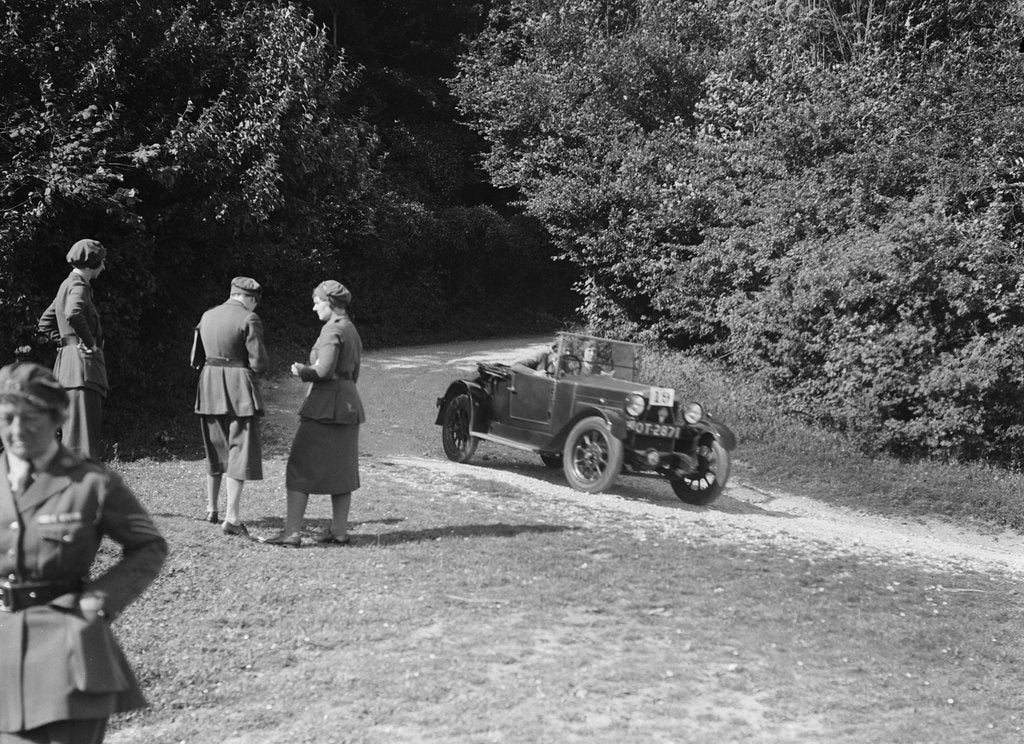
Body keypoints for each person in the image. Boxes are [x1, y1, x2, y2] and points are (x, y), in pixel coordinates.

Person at [0, 362, 167, 744]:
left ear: (57, 417)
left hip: (67, 648)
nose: (16, 430)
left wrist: (99, 601)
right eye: (6, 418)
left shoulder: (91, 482)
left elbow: (150, 545)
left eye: (31, 418)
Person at [258, 280, 364, 548]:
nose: (314, 306)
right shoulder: (351, 329)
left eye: (317, 301)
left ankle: (292, 533)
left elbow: (324, 370)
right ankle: (339, 531)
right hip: (348, 404)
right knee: (342, 470)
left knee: (299, 466)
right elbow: (354, 373)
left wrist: (302, 370)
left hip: (325, 407)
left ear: (330, 303)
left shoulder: (331, 330)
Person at [190, 277, 267, 537]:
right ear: (251, 299)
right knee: (239, 450)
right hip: (238, 389)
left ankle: (211, 509)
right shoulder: (249, 319)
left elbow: (195, 358)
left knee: (215, 447)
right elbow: (259, 363)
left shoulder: (207, 315)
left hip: (209, 385)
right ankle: (232, 518)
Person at [36, 238, 109, 460]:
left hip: (67, 369)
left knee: (72, 439)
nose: (104, 267)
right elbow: (73, 313)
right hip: (82, 370)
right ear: (92, 263)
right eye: (102, 262)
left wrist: (68, 343)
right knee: (83, 442)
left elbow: (45, 323)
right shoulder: (79, 285)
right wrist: (88, 344)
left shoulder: (65, 285)